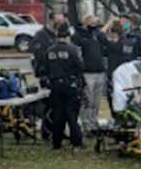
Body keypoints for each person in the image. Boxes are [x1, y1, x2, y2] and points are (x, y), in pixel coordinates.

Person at [39, 21, 84, 150]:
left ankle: (56, 142)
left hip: (55, 86)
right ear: (68, 37)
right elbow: (80, 67)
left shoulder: (49, 51)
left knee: (58, 114)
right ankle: (76, 142)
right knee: (71, 114)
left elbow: (44, 69)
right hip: (70, 85)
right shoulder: (73, 50)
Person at [30, 12, 66, 139]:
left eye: (62, 21)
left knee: (60, 106)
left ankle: (58, 130)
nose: (61, 23)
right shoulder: (41, 36)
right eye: (59, 20)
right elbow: (39, 57)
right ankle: (47, 132)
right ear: (51, 20)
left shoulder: (58, 35)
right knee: (49, 105)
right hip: (47, 75)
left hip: (60, 75)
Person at [72, 15, 108, 136]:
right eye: (92, 22)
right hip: (87, 73)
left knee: (97, 101)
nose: (95, 24)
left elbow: (105, 42)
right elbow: (77, 53)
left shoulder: (97, 34)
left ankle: (94, 122)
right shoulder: (78, 36)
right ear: (86, 22)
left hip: (99, 71)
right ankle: (86, 125)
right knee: (88, 101)